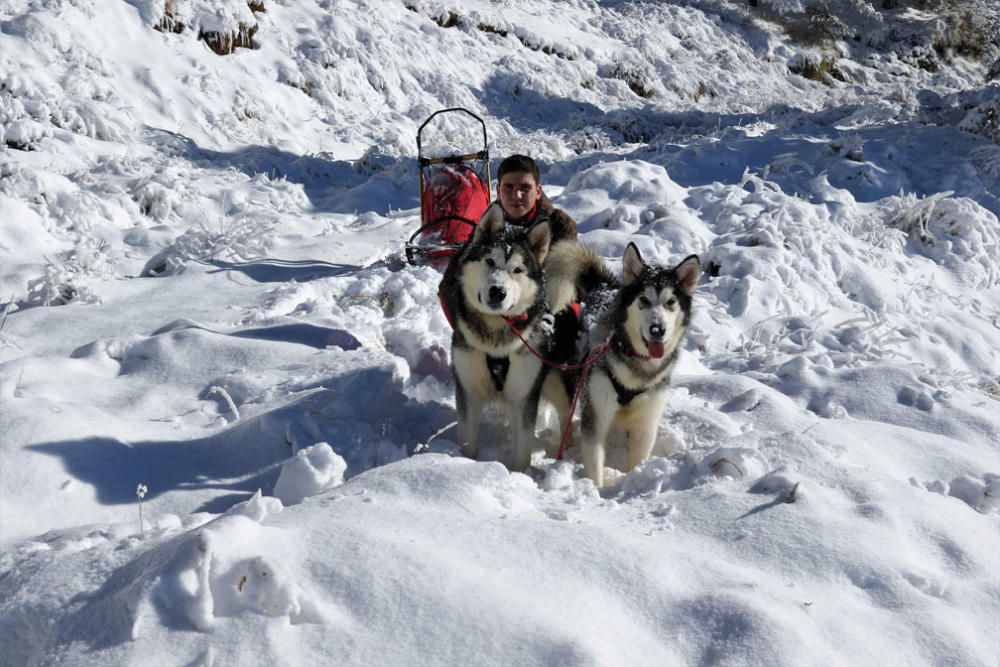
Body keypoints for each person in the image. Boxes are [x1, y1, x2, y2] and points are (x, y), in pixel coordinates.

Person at [490, 154, 577, 243]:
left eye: (525, 188)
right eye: (509, 187)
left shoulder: (559, 226)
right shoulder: (487, 225)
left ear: (538, 192)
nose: (516, 195)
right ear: (498, 191)